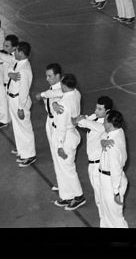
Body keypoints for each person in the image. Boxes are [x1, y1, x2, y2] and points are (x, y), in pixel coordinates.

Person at [76, 96, 113, 226]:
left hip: (99, 165)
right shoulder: (94, 117)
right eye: (96, 108)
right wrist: (80, 119)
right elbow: (78, 121)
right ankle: (105, 222)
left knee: (101, 197)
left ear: (107, 111)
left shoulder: (104, 125)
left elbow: (85, 122)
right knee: (99, 197)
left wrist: (82, 119)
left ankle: (106, 223)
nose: (96, 111)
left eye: (100, 109)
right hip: (92, 164)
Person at [52, 73, 86, 211]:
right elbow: (61, 95)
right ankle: (67, 195)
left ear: (64, 85)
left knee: (68, 168)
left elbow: (60, 128)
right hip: (72, 133)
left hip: (65, 137)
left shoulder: (63, 105)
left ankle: (79, 196)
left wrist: (60, 146)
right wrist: (54, 102)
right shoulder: (76, 93)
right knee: (63, 168)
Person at [6, 41, 36, 167]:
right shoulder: (19, 62)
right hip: (13, 98)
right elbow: (10, 67)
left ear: (22, 53)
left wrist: (20, 107)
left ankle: (29, 154)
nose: (14, 52)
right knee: (18, 127)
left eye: (17, 50)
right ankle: (22, 149)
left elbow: (24, 90)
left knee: (24, 128)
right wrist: (9, 74)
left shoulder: (24, 69)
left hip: (19, 101)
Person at [98, 110, 129, 228]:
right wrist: (102, 141)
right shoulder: (118, 131)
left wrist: (115, 192)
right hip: (107, 178)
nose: (103, 123)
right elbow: (103, 134)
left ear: (110, 124)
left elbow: (115, 169)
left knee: (115, 217)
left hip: (111, 181)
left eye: (105, 121)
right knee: (106, 213)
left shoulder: (112, 145)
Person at [40, 63, 64, 188]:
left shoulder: (61, 90)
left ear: (58, 76)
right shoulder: (51, 88)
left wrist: (43, 95)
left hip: (58, 124)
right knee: (54, 153)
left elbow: (57, 94)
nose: (47, 79)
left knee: (60, 154)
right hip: (49, 121)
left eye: (50, 76)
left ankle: (64, 184)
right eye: (46, 76)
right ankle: (60, 181)